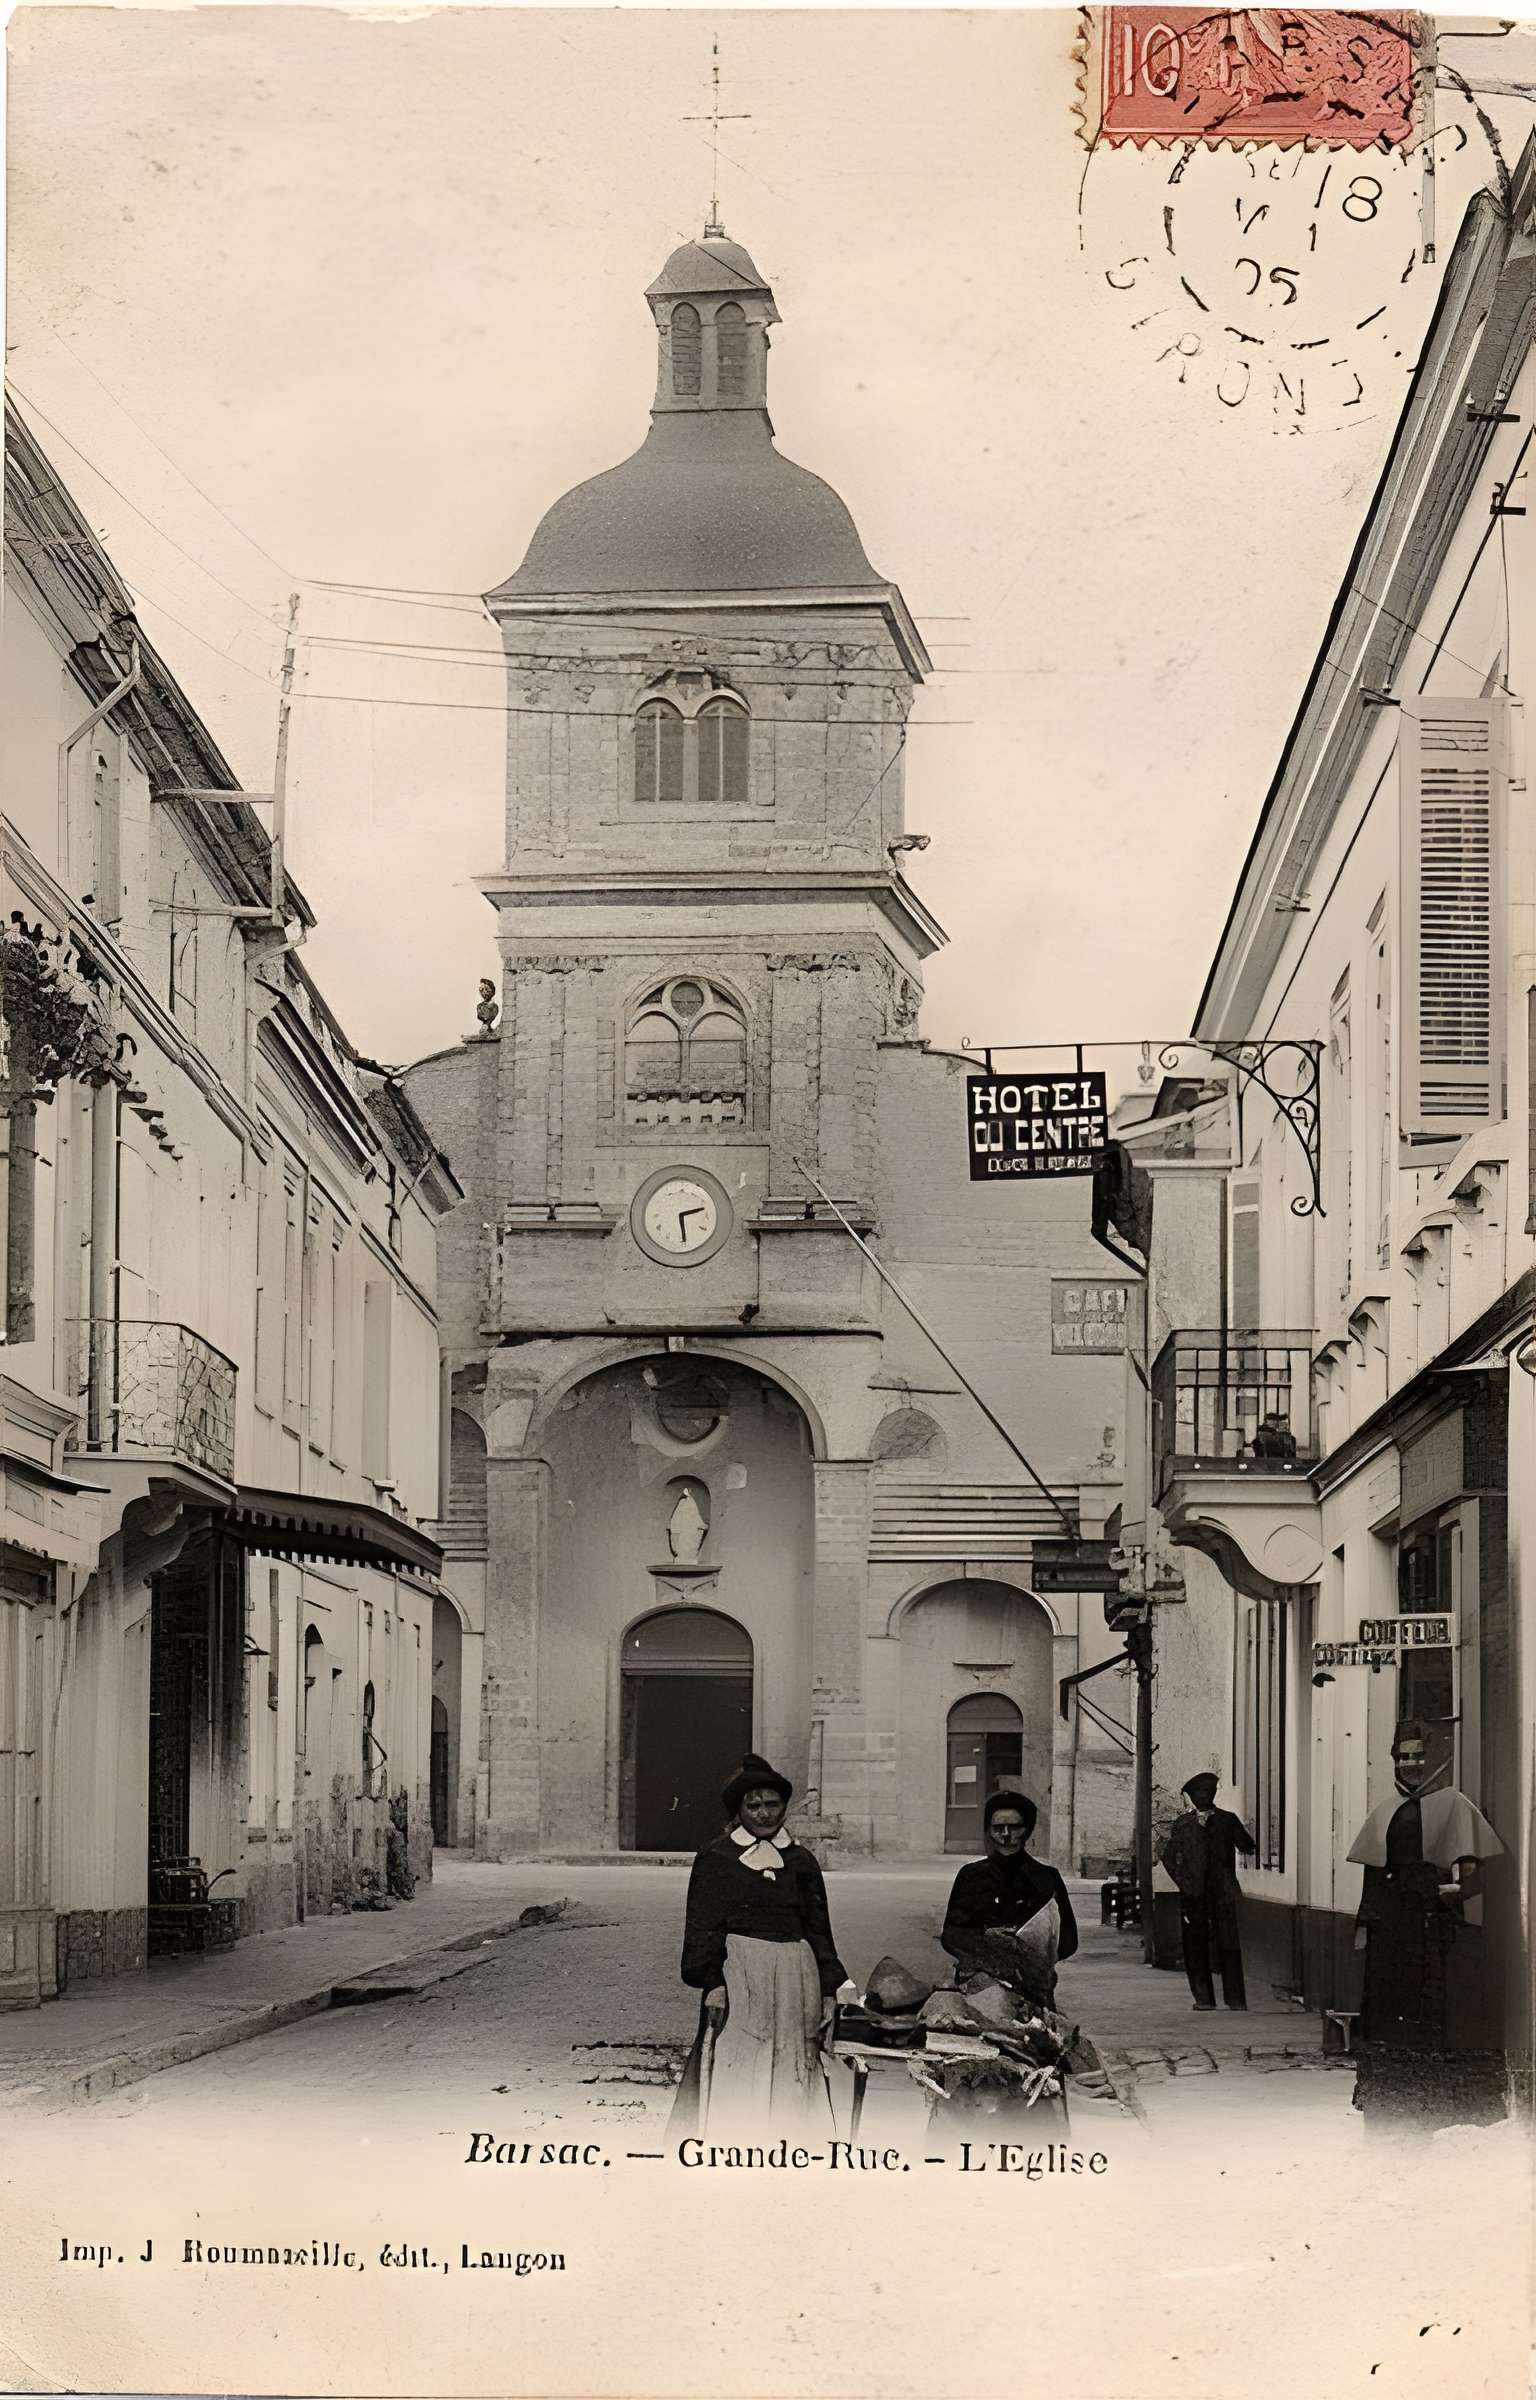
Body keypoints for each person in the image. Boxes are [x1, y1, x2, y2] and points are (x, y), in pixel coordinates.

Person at [671, 1752, 849, 2135]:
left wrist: (831, 1987)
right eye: (754, 1806)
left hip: (795, 1975)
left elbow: (819, 1928)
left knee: (794, 2055)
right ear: (739, 1810)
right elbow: (703, 1925)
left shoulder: (801, 1861)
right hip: (741, 1973)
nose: (765, 1814)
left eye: (773, 1805)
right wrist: (712, 1982)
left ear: (785, 1807)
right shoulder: (716, 1857)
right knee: (740, 2055)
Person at [1347, 1720, 1505, 2135]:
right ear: (1394, 1762)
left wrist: (1456, 1890)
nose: (1412, 1764)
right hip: (1390, 1931)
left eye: (1418, 1756)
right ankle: (1392, 2098)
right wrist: (1365, 1925)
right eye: (1404, 1757)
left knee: (1433, 2010)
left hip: (1435, 1929)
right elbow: (1371, 1875)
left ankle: (1436, 2099)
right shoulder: (1384, 1809)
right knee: (1388, 2013)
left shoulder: (1454, 1803)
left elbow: (1489, 1870)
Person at [940, 1791, 1078, 2010]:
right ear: (989, 1831)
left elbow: (1068, 1938)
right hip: (980, 1983)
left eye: (1014, 1827)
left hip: (1032, 1984)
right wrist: (988, 1945)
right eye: (997, 1828)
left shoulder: (1045, 1877)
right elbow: (951, 1934)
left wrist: (1033, 1951)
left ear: (1026, 1830)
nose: (1005, 1834)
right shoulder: (971, 1875)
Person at [1160, 1772, 1255, 2011]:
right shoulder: (1183, 1825)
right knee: (1194, 1945)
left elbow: (1247, 1846)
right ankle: (1203, 1998)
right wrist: (1183, 1881)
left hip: (1222, 1892)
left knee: (1228, 1944)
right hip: (1193, 1894)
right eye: (1198, 1793)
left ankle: (1235, 1999)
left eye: (1207, 1792)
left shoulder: (1227, 1820)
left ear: (1213, 1794)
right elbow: (1169, 1856)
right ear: (1191, 1797)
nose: (1203, 1797)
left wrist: (1241, 1835)